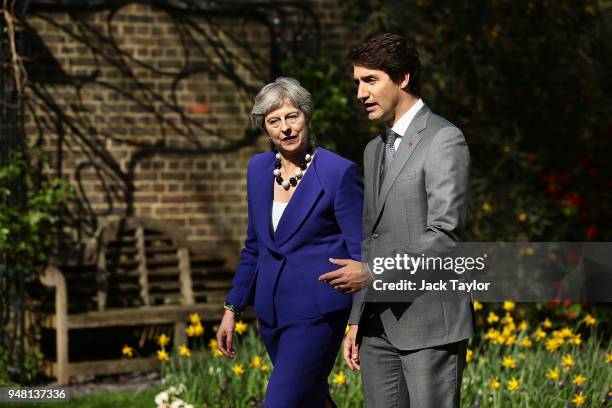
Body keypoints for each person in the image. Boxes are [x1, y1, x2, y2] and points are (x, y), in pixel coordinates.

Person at [320, 33, 474, 407]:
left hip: (429, 324)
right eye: (357, 81)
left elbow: (445, 235)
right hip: (377, 326)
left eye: (370, 80)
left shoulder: (444, 139)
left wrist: (372, 272)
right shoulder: (374, 149)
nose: (360, 93)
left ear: (402, 78)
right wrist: (357, 317)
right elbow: (370, 237)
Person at [216, 77, 364, 407]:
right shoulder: (257, 170)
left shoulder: (338, 172)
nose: (285, 128)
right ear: (265, 128)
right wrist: (232, 308)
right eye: (274, 121)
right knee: (310, 400)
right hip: (270, 313)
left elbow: (362, 253)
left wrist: (358, 320)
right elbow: (254, 246)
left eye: (292, 116)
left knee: (280, 402)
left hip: (317, 314)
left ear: (306, 116)